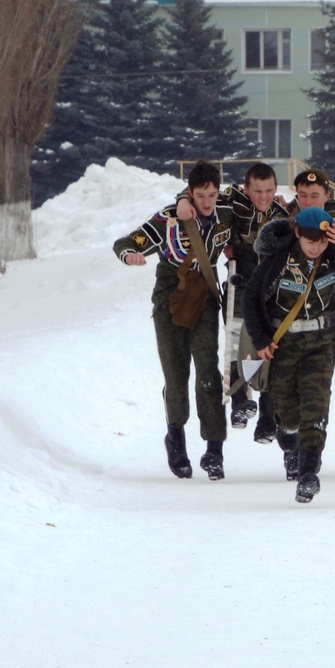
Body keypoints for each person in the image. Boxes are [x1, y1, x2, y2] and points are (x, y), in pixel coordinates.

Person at [240, 207, 335, 503]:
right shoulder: (279, 259)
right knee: (288, 413)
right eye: (311, 241)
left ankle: (308, 473)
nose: (317, 248)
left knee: (316, 405)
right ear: (298, 233)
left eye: (322, 242)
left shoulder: (333, 255)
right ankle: (290, 440)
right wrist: (262, 339)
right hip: (284, 343)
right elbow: (250, 297)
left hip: (320, 341)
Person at [113, 160, 233, 481]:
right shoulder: (169, 219)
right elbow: (126, 242)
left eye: (212, 194)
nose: (207, 201)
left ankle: (214, 448)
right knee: (175, 372)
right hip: (170, 298)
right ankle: (176, 437)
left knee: (208, 370)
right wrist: (131, 255)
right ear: (190, 193)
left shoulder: (226, 213)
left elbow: (257, 203)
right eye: (199, 195)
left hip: (205, 299)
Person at [175, 163, 289, 444]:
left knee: (272, 346)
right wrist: (182, 200)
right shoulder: (231, 201)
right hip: (242, 279)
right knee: (238, 338)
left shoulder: (284, 213)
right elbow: (201, 191)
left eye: (269, 191)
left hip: (273, 287)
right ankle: (239, 398)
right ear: (245, 188)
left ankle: (267, 413)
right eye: (257, 191)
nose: (263, 197)